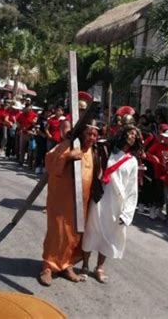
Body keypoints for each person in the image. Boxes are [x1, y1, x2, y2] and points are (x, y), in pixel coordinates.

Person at [38, 121, 97, 286]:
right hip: (61, 199)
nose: (91, 137)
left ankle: (66, 265)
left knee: (74, 235)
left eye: (94, 134)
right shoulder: (66, 145)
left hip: (81, 202)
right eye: (88, 134)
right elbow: (49, 161)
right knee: (57, 232)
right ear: (81, 134)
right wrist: (67, 156)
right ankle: (48, 267)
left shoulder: (95, 151)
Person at [81, 125, 142, 284]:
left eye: (135, 135)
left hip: (117, 203)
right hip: (100, 197)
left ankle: (99, 267)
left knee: (109, 235)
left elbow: (132, 189)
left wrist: (127, 213)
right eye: (129, 133)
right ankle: (85, 265)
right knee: (91, 230)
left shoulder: (133, 161)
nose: (132, 136)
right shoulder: (107, 151)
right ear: (122, 134)